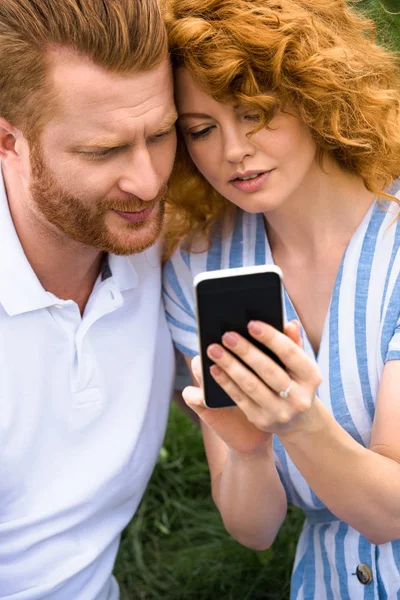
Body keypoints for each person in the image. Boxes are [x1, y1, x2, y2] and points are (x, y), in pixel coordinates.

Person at [162, 0, 400, 597]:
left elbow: (389, 513)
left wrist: (297, 424)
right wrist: (245, 454)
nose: (233, 150)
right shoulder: (199, 268)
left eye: (254, 113)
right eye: (201, 130)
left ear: (316, 95)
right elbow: (254, 530)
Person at [0, 1, 178, 598]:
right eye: (103, 152)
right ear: (8, 141)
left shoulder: (170, 238)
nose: (149, 181)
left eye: (161, 134)